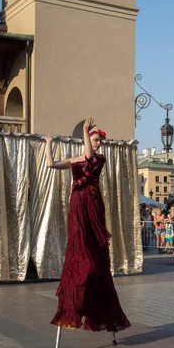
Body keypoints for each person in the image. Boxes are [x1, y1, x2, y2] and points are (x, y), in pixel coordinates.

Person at [46, 117, 130, 332]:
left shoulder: (97, 159)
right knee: (78, 236)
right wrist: (48, 145)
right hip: (77, 201)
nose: (98, 144)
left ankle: (90, 262)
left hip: (91, 201)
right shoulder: (74, 160)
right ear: (86, 140)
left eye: (99, 141)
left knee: (92, 239)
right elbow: (51, 164)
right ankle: (82, 264)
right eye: (95, 140)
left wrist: (85, 130)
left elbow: (89, 156)